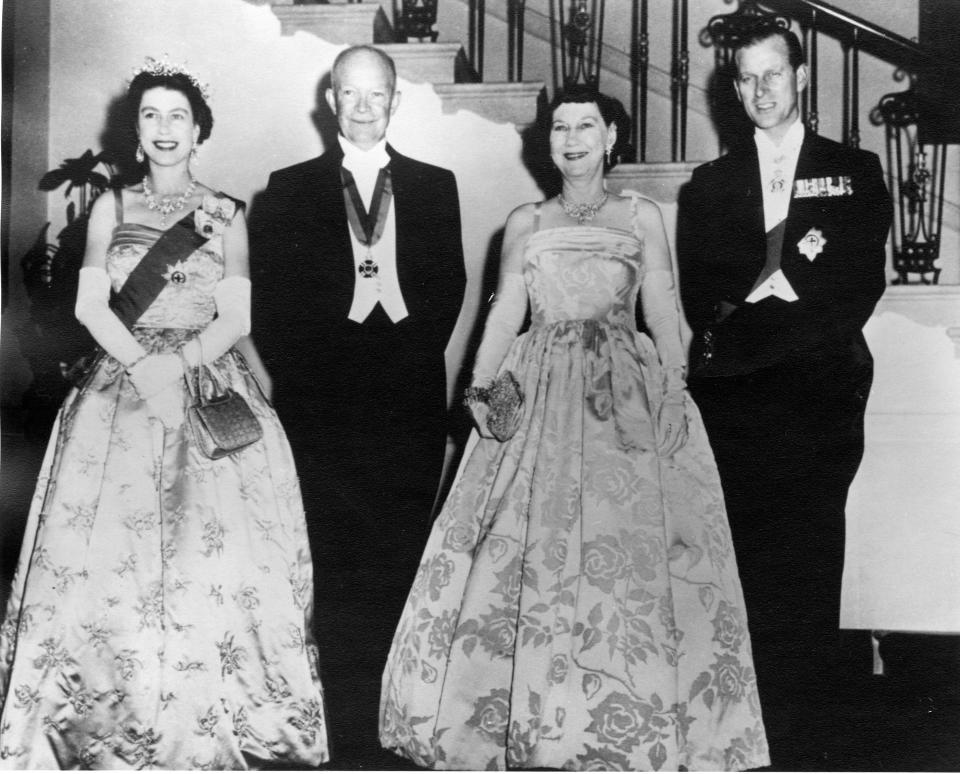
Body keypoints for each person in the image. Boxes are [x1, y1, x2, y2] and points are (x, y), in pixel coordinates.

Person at [379, 87, 769, 771]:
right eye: (560, 126)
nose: (572, 137)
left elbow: (662, 306)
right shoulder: (526, 221)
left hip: (623, 390)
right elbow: (504, 313)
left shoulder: (642, 214)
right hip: (538, 390)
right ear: (547, 141)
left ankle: (624, 721)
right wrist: (479, 383)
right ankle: (521, 718)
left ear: (612, 137)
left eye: (587, 125)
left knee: (629, 551)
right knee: (526, 550)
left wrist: (676, 391)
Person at [0, 58, 328, 769]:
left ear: (199, 130)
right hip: (118, 386)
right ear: (137, 132)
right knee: (110, 560)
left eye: (177, 114)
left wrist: (174, 365)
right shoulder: (111, 208)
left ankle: (223, 713)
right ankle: (105, 717)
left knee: (215, 553)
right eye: (151, 115)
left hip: (206, 381)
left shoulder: (226, 214)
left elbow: (236, 314)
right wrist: (142, 364)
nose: (164, 127)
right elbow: (90, 304)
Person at [676, 22, 892, 768]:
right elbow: (701, 288)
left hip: (820, 387)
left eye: (774, 75)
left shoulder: (855, 170)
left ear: (799, 78)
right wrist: (748, 315)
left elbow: (860, 279)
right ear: (733, 89)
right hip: (738, 393)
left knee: (809, 551)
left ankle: (805, 730)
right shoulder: (708, 185)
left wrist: (784, 310)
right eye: (747, 79)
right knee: (743, 555)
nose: (762, 90)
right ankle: (748, 724)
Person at [250, 45, 466, 767]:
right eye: (351, 94)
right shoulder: (287, 188)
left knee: (400, 555)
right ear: (330, 100)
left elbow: (448, 290)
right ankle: (341, 734)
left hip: (406, 398)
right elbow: (273, 307)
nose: (364, 107)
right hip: (325, 403)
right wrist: (322, 373)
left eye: (377, 94)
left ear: (396, 100)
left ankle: (395, 724)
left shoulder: (437, 186)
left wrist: (400, 359)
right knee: (335, 561)